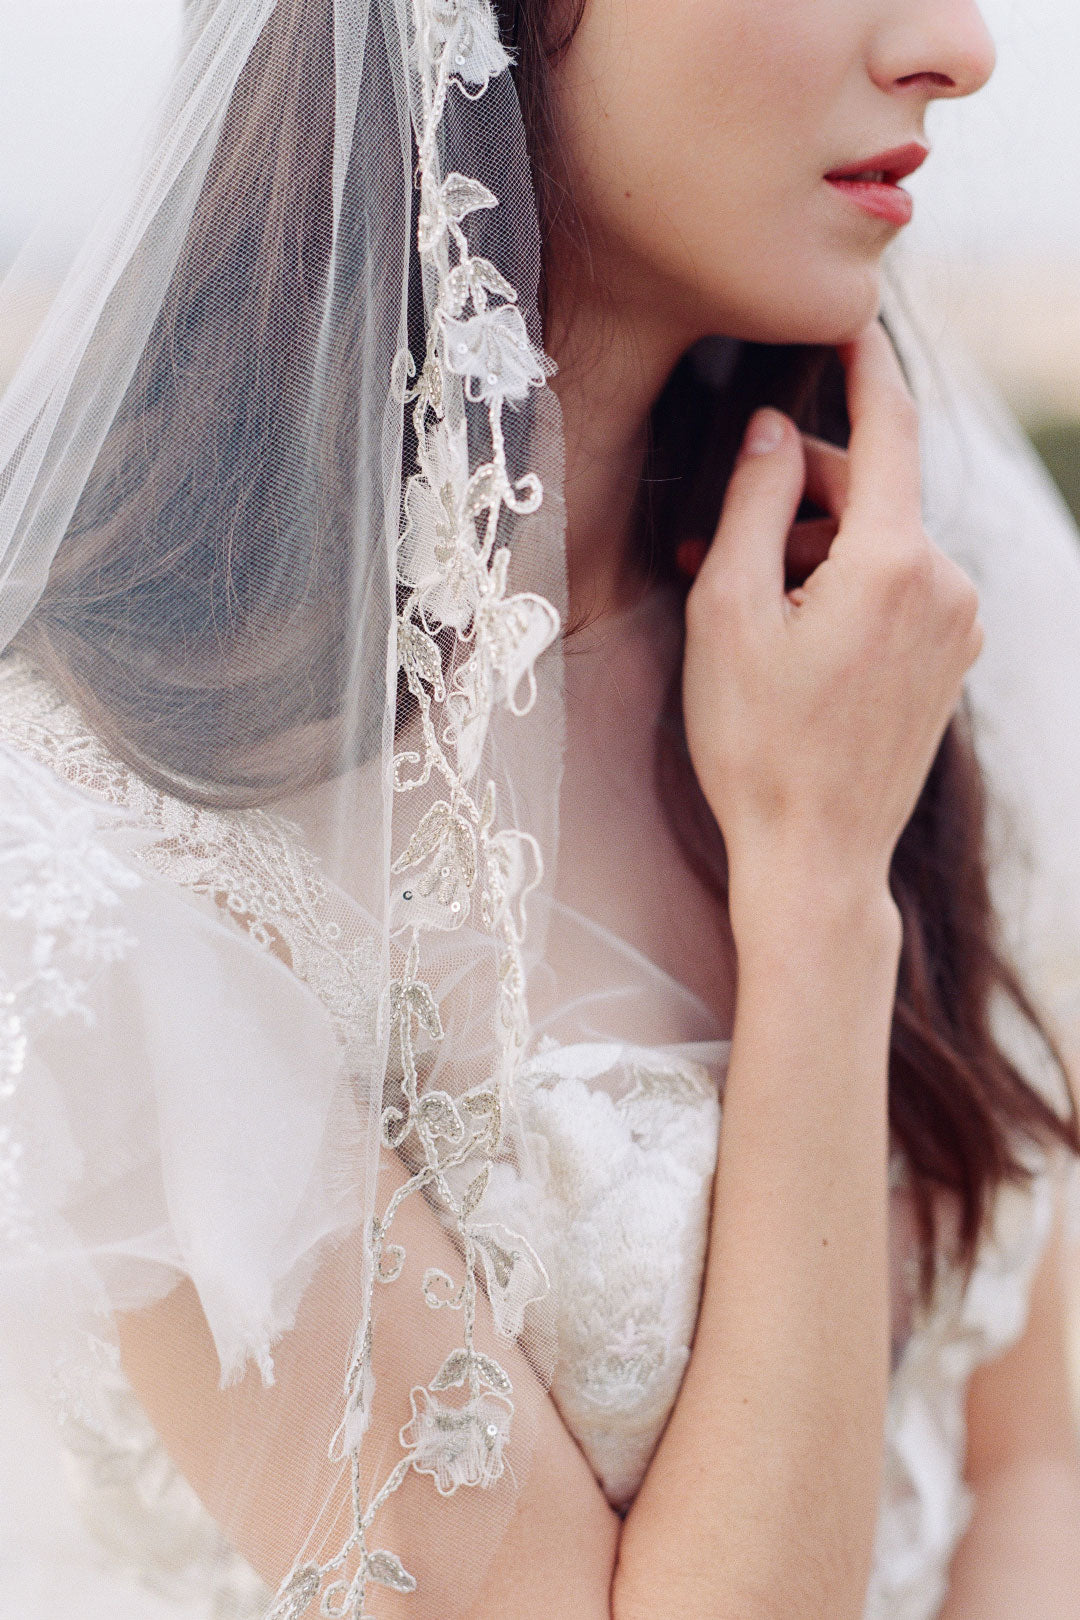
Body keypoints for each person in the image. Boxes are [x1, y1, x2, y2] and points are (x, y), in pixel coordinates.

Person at [1, 1, 1080, 1617]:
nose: (958, 46)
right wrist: (814, 895)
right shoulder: (98, 841)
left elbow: (1029, 1457)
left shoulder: (887, 628)